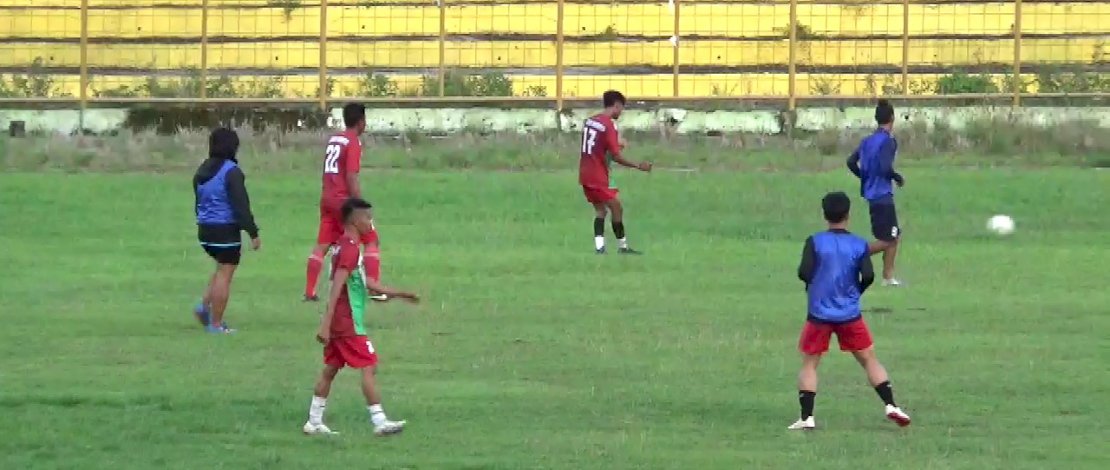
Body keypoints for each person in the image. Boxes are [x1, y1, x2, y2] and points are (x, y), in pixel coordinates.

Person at [789, 191, 911, 430]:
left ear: (825, 215)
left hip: (819, 314)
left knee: (810, 364)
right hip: (850, 314)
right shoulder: (858, 244)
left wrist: (815, 286)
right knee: (869, 359)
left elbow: (803, 271)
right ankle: (891, 405)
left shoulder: (814, 241)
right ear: (848, 215)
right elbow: (868, 275)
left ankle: (807, 418)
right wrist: (854, 292)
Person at [302, 197, 420, 437]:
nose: (370, 222)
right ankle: (379, 420)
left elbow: (370, 285)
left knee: (331, 369)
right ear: (355, 219)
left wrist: (400, 294)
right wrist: (326, 323)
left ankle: (314, 421)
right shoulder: (350, 248)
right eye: (367, 218)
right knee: (368, 365)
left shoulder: (345, 246)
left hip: (341, 321)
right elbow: (337, 286)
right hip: (346, 321)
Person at [305, 103, 387, 302]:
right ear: (361, 122)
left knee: (322, 244)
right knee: (371, 238)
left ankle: (309, 291)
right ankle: (374, 287)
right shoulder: (353, 142)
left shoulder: (335, 139)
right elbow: (351, 175)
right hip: (343, 200)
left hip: (327, 198)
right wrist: (359, 205)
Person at [192, 128, 260, 334]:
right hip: (225, 231)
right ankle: (216, 324)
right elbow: (241, 205)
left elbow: (199, 201)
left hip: (205, 230)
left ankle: (203, 307)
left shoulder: (202, 170)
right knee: (225, 274)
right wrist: (253, 232)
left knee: (220, 269)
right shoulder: (231, 171)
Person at [578, 90, 653, 255]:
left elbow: (598, 147)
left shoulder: (590, 121)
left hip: (584, 173)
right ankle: (623, 247)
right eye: (622, 108)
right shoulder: (609, 125)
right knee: (617, 208)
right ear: (616, 105)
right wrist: (638, 166)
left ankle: (600, 249)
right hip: (598, 175)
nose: (621, 112)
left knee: (601, 210)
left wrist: (616, 144)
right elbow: (616, 157)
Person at [847, 99, 905, 286]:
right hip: (883, 195)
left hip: (871, 195)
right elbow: (885, 165)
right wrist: (895, 177)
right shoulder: (888, 141)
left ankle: (888, 278)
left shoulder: (867, 141)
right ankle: (854, 256)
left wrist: (864, 177)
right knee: (889, 239)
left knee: (892, 236)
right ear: (892, 118)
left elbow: (850, 162)